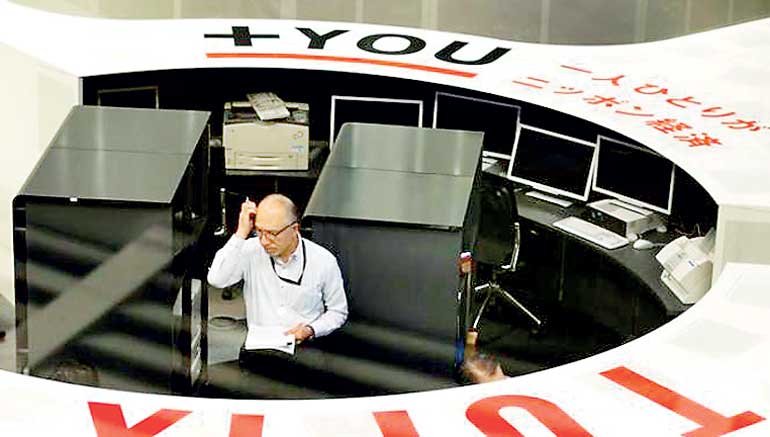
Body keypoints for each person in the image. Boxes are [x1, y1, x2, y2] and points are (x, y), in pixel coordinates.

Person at [207, 193, 348, 345]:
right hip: (260, 347)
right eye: (259, 231)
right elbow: (216, 279)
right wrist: (241, 233)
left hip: (305, 346)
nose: (264, 241)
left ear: (294, 229)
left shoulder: (323, 261)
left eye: (272, 234)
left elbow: (338, 312)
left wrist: (311, 329)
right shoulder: (250, 250)